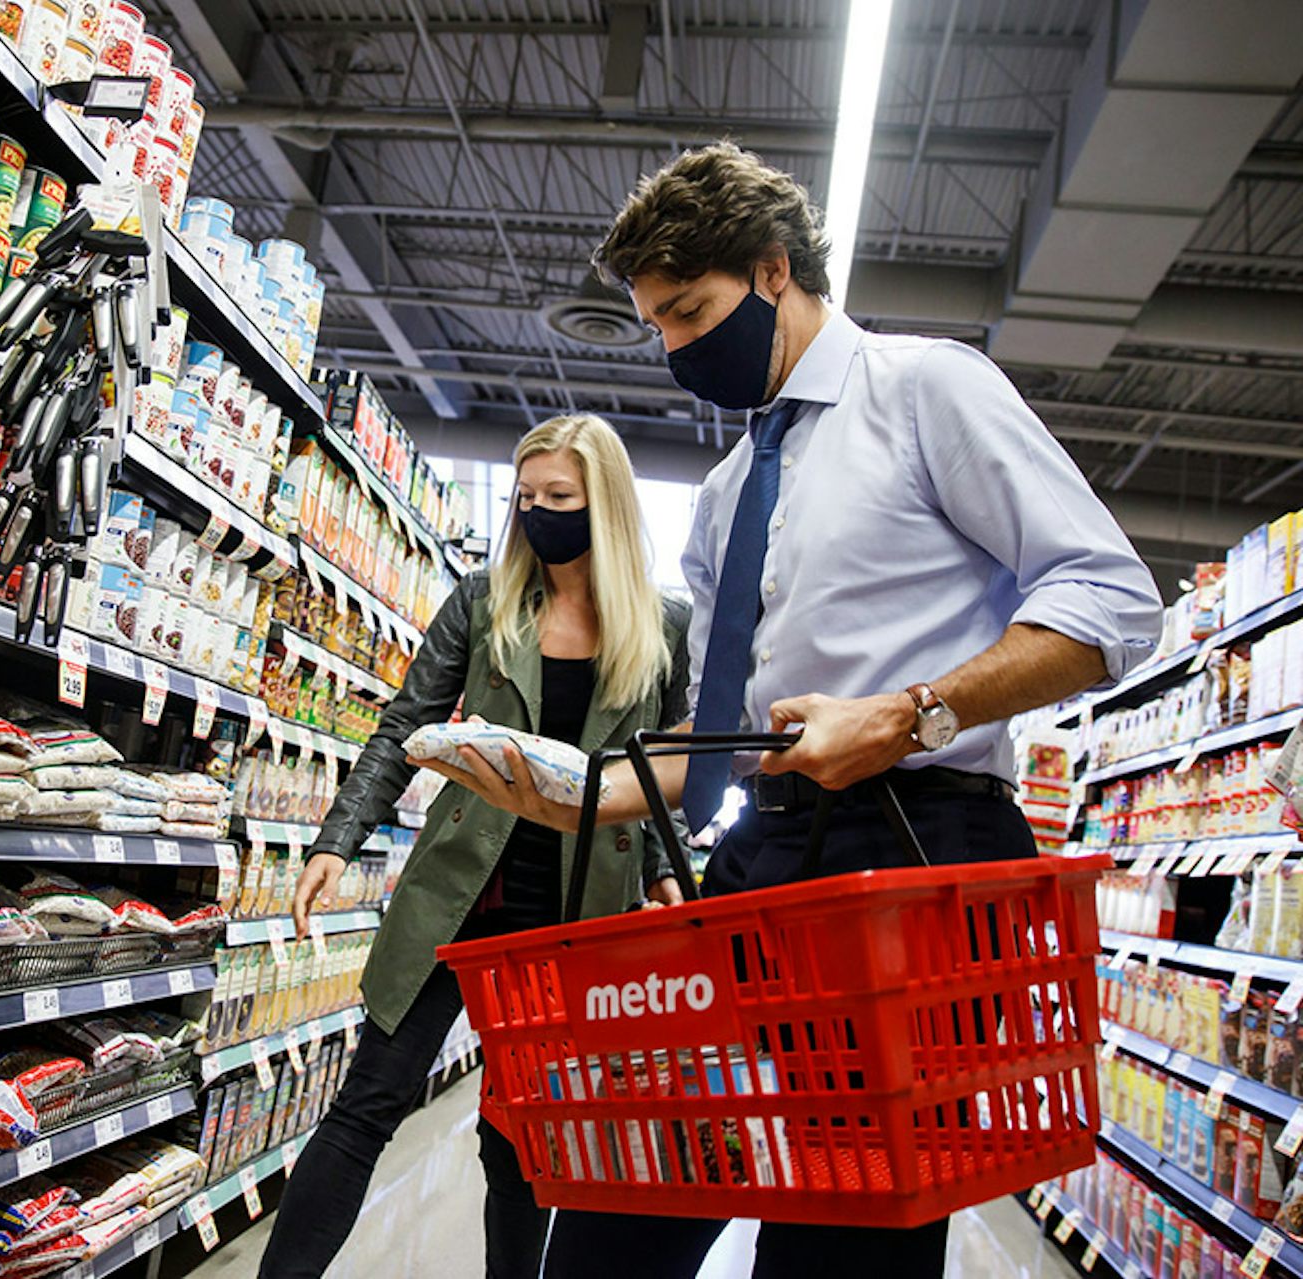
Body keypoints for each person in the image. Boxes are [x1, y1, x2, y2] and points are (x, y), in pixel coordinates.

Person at [414, 143, 1164, 1278]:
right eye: (656, 322)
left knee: (840, 1247)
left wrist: (912, 713)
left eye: (688, 310)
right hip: (763, 862)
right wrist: (583, 794)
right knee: (621, 1219)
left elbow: (1113, 600)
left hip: (921, 863)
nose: (671, 346)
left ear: (773, 271)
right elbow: (733, 743)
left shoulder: (926, 390)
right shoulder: (724, 495)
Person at [257, 414, 692, 1279]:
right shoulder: (484, 601)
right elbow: (401, 726)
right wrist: (339, 838)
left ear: (602, 503)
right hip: (459, 894)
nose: (536, 513)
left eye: (558, 497)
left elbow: (663, 772)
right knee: (364, 1107)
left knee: (522, 1140)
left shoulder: (666, 627)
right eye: (526, 497)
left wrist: (664, 876)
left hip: (571, 920)